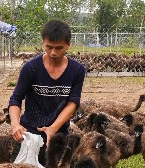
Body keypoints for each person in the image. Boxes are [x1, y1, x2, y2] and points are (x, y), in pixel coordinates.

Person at [7, 19, 86, 147]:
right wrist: (15, 124)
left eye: (59, 48)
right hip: (29, 134)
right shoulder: (31, 68)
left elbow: (73, 103)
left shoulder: (76, 70)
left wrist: (53, 129)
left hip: (58, 134)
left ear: (68, 45)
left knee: (59, 167)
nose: (53, 53)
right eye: (49, 47)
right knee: (23, 167)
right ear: (43, 42)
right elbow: (16, 99)